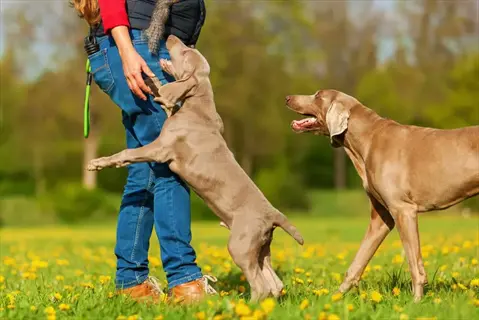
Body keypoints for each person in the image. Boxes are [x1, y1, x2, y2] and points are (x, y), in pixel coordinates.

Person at [71, 0, 214, 303]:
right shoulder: (132, 45)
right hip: (137, 48)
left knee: (145, 173)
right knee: (171, 164)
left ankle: (132, 283)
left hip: (133, 46)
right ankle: (185, 281)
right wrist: (127, 52)